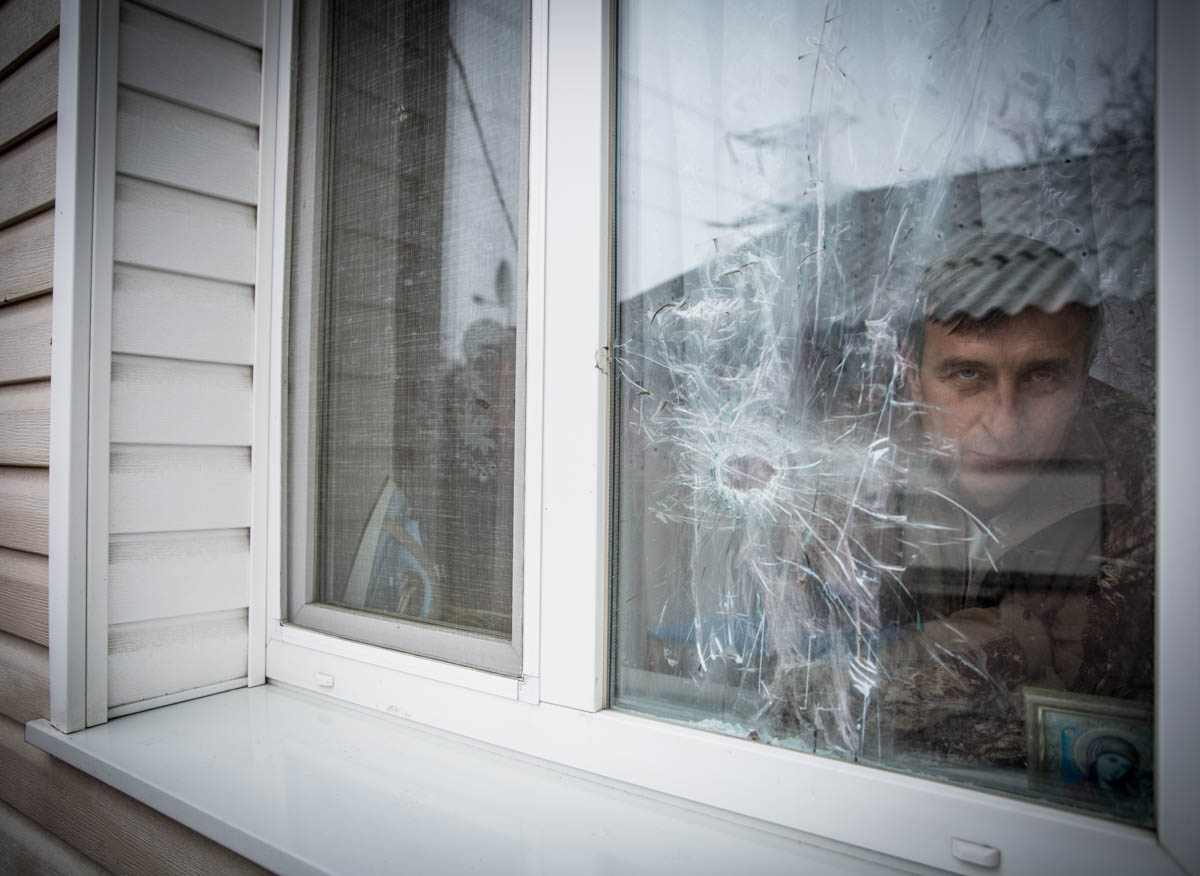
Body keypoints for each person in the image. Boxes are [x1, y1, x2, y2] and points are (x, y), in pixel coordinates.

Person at [870, 233, 1156, 768]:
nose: (1004, 426)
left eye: (1043, 376)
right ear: (911, 375)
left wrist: (910, 660)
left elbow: (1099, 704)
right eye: (967, 374)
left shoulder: (1155, 470)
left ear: (1085, 373)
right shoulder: (853, 455)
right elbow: (791, 682)